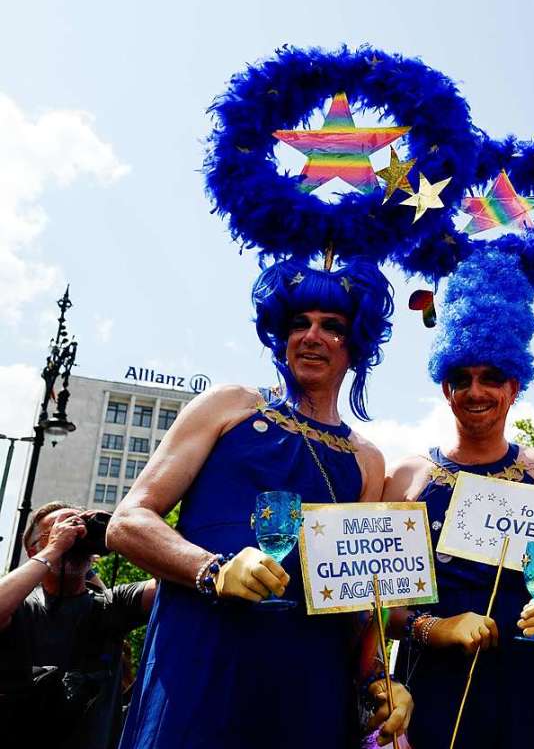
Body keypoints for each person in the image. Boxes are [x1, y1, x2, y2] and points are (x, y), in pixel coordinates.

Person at [107, 259, 412, 748]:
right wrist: (212, 569)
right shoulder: (230, 405)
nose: (312, 336)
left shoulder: (367, 460)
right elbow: (127, 522)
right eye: (299, 323)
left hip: (310, 687)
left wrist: (378, 679)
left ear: (356, 343)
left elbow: (363, 597)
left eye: (332, 327)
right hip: (201, 665)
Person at [383, 249, 534, 749]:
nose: (477, 391)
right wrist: (437, 628)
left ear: (514, 385)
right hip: (434, 691)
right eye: (462, 378)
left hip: (533, 686)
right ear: (445, 386)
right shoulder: (406, 477)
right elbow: (373, 603)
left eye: (492, 377)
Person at [0, 502, 156, 749]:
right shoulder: (18, 607)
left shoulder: (111, 605)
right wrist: (54, 549)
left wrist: (122, 533)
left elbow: (169, 583)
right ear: (32, 551)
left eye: (78, 525)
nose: (72, 533)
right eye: (57, 528)